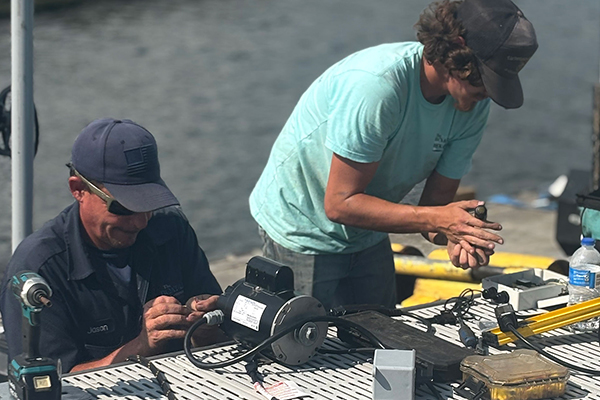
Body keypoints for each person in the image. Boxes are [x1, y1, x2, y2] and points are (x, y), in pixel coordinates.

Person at [249, 0, 538, 310]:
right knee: (306, 335)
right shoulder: (378, 87)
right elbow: (340, 204)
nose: (489, 93)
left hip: (368, 230)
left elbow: (433, 211)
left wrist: (458, 236)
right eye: (486, 77)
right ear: (456, 51)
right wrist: (440, 219)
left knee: (380, 333)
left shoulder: (472, 102)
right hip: (303, 226)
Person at [0, 118, 223, 373]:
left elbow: (222, 336)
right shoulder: (39, 269)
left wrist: (206, 327)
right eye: (124, 207)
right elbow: (50, 382)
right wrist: (141, 346)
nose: (141, 221)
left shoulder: (172, 230)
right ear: (78, 189)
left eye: (149, 203)